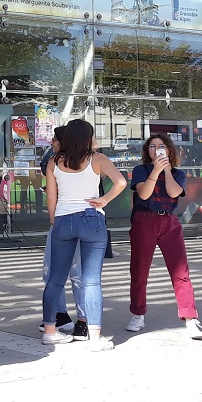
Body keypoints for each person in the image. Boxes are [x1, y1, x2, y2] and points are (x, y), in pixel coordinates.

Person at [40, 118, 125, 349]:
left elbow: (51, 196)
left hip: (62, 219)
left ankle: (50, 331)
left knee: (56, 279)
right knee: (91, 281)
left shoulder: (54, 161)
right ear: (87, 138)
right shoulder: (97, 159)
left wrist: (53, 219)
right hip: (91, 218)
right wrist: (103, 200)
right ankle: (95, 337)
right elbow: (120, 182)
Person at [127, 135, 202, 340]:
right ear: (147, 151)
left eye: (161, 146)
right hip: (145, 220)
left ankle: (190, 317)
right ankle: (138, 313)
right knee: (140, 269)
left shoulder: (178, 173)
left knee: (180, 271)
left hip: (170, 222)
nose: (157, 150)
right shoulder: (141, 170)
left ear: (169, 151)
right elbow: (143, 194)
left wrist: (167, 170)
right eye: (152, 146)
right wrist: (156, 170)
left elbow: (174, 192)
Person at [38, 127, 85, 334]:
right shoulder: (53, 161)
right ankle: (60, 314)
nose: (51, 142)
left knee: (78, 272)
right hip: (59, 221)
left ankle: (84, 319)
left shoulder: (89, 161)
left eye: (55, 140)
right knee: (51, 271)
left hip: (79, 221)